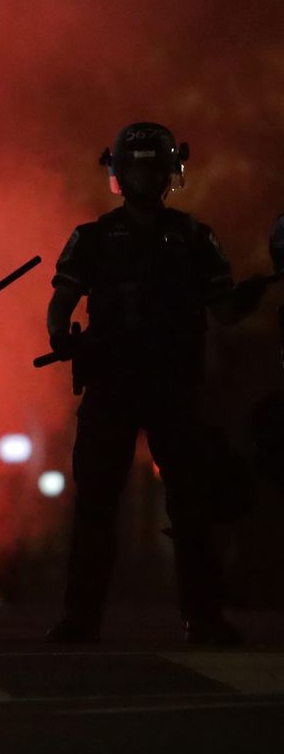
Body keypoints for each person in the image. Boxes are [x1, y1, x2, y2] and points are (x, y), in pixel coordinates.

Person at [43, 123, 270, 645]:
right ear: (122, 172)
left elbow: (227, 312)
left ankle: (203, 617)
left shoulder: (194, 237)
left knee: (189, 505)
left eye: (151, 166)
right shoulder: (94, 237)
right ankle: (81, 618)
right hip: (114, 384)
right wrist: (60, 333)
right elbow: (62, 300)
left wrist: (253, 293)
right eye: (136, 166)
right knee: (96, 504)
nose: (144, 176)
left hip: (172, 387)